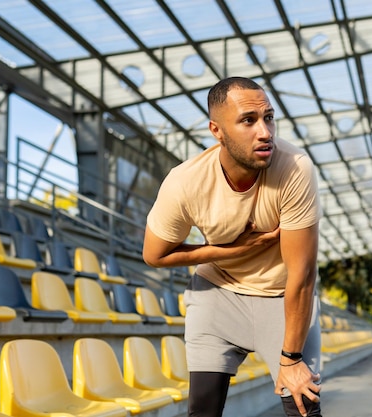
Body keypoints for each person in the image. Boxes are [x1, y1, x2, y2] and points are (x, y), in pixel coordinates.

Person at [143, 76, 322, 417]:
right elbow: (154, 255)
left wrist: (292, 358)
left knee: (304, 407)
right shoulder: (185, 182)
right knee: (203, 411)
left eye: (268, 117)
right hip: (219, 293)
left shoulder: (295, 168)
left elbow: (302, 272)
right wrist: (231, 251)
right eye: (248, 120)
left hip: (282, 297)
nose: (265, 132)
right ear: (217, 130)